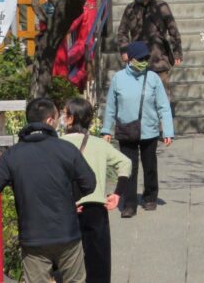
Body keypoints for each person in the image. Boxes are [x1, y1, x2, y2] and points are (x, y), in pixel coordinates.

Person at [0, 97, 96, 283]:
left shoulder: (13, 154)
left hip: (33, 236)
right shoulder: (66, 149)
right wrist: (68, 197)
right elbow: (89, 183)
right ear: (50, 120)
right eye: (57, 117)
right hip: (67, 233)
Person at [60, 97, 132, 283]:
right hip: (96, 208)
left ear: (71, 119)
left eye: (65, 113)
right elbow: (125, 162)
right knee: (98, 263)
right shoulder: (99, 144)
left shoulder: (59, 145)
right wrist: (117, 193)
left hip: (68, 208)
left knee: (68, 264)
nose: (62, 116)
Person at [102, 41, 175, 218]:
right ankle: (129, 204)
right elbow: (111, 106)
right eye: (140, 58)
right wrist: (106, 130)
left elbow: (163, 106)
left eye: (145, 58)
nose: (143, 61)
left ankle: (150, 197)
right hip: (127, 131)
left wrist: (167, 131)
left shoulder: (153, 78)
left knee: (150, 166)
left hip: (149, 130)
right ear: (130, 59)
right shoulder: (119, 78)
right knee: (128, 168)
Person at [115, 0, 183, 93]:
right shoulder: (130, 9)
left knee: (162, 97)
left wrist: (177, 52)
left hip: (159, 60)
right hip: (138, 62)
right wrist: (124, 50)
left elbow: (173, 31)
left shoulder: (161, 7)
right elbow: (122, 32)